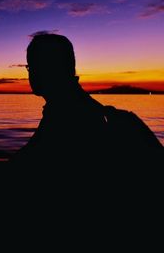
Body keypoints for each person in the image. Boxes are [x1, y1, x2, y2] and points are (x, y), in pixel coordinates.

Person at [10, 34, 163, 164]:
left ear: (50, 68)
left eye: (33, 66)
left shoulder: (66, 116)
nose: (31, 73)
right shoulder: (74, 108)